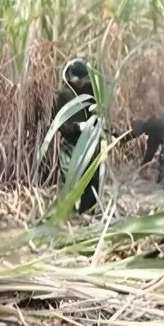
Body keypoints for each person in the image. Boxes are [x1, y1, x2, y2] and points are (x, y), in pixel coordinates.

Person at [52, 58, 102, 213]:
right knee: (70, 179)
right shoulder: (63, 95)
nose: (81, 83)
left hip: (89, 143)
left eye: (83, 80)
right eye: (78, 80)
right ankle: (68, 214)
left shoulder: (87, 90)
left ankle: (87, 212)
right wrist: (79, 127)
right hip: (70, 145)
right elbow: (62, 125)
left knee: (92, 176)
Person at [121, 118, 164, 189]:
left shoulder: (152, 130)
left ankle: (163, 187)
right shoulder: (152, 124)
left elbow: (151, 150)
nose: (140, 135)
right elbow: (150, 150)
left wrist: (142, 166)